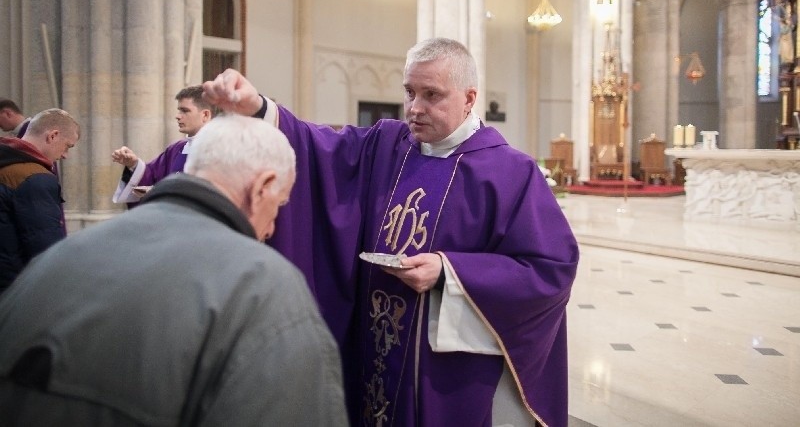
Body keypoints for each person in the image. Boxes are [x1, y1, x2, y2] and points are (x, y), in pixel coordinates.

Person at [203, 37, 580, 427]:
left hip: (445, 377)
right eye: (410, 92)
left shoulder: (509, 172)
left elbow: (551, 268)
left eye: (432, 95)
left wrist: (447, 272)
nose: (415, 108)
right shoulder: (386, 145)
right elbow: (318, 147)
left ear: (469, 98)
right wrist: (260, 108)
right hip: (375, 349)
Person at [0, 114, 348, 426]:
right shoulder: (263, 286)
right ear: (261, 188)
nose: (272, 229)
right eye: (280, 205)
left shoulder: (64, 254)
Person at [0, 108, 80, 293]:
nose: (65, 155)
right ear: (53, 136)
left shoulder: (6, 161)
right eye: (68, 146)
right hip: (14, 289)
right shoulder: (35, 177)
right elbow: (45, 246)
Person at [111, 85, 215, 205]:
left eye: (185, 111)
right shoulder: (176, 149)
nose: (178, 116)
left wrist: (161, 192)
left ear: (205, 115)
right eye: (179, 110)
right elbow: (151, 174)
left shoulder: (220, 151)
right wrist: (133, 164)